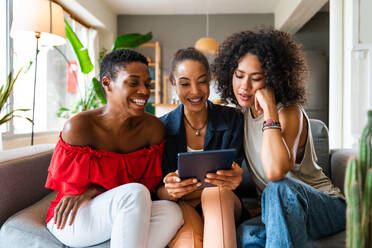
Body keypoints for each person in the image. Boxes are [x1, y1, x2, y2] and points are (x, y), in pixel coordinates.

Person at [213, 28, 346, 248]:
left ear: (273, 79)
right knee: (247, 234)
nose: (244, 86)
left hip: (326, 207)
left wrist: (270, 110)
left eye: (256, 79)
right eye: (239, 75)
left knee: (278, 188)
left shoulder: (289, 112)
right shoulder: (240, 115)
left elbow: (276, 173)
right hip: (279, 211)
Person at [45, 49, 183, 248]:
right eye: (133, 82)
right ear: (107, 83)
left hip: (124, 210)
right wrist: (91, 192)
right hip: (74, 216)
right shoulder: (79, 127)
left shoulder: (153, 129)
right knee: (134, 193)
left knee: (171, 212)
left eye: (147, 84)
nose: (144, 91)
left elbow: (148, 187)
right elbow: (71, 194)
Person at [156, 47, 244, 248]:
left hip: (224, 201)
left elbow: (231, 180)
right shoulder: (161, 128)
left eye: (202, 81)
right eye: (185, 84)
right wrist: (171, 191)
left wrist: (235, 178)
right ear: (173, 85)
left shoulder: (233, 120)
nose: (195, 91)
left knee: (216, 192)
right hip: (182, 205)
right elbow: (159, 193)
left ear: (210, 81)